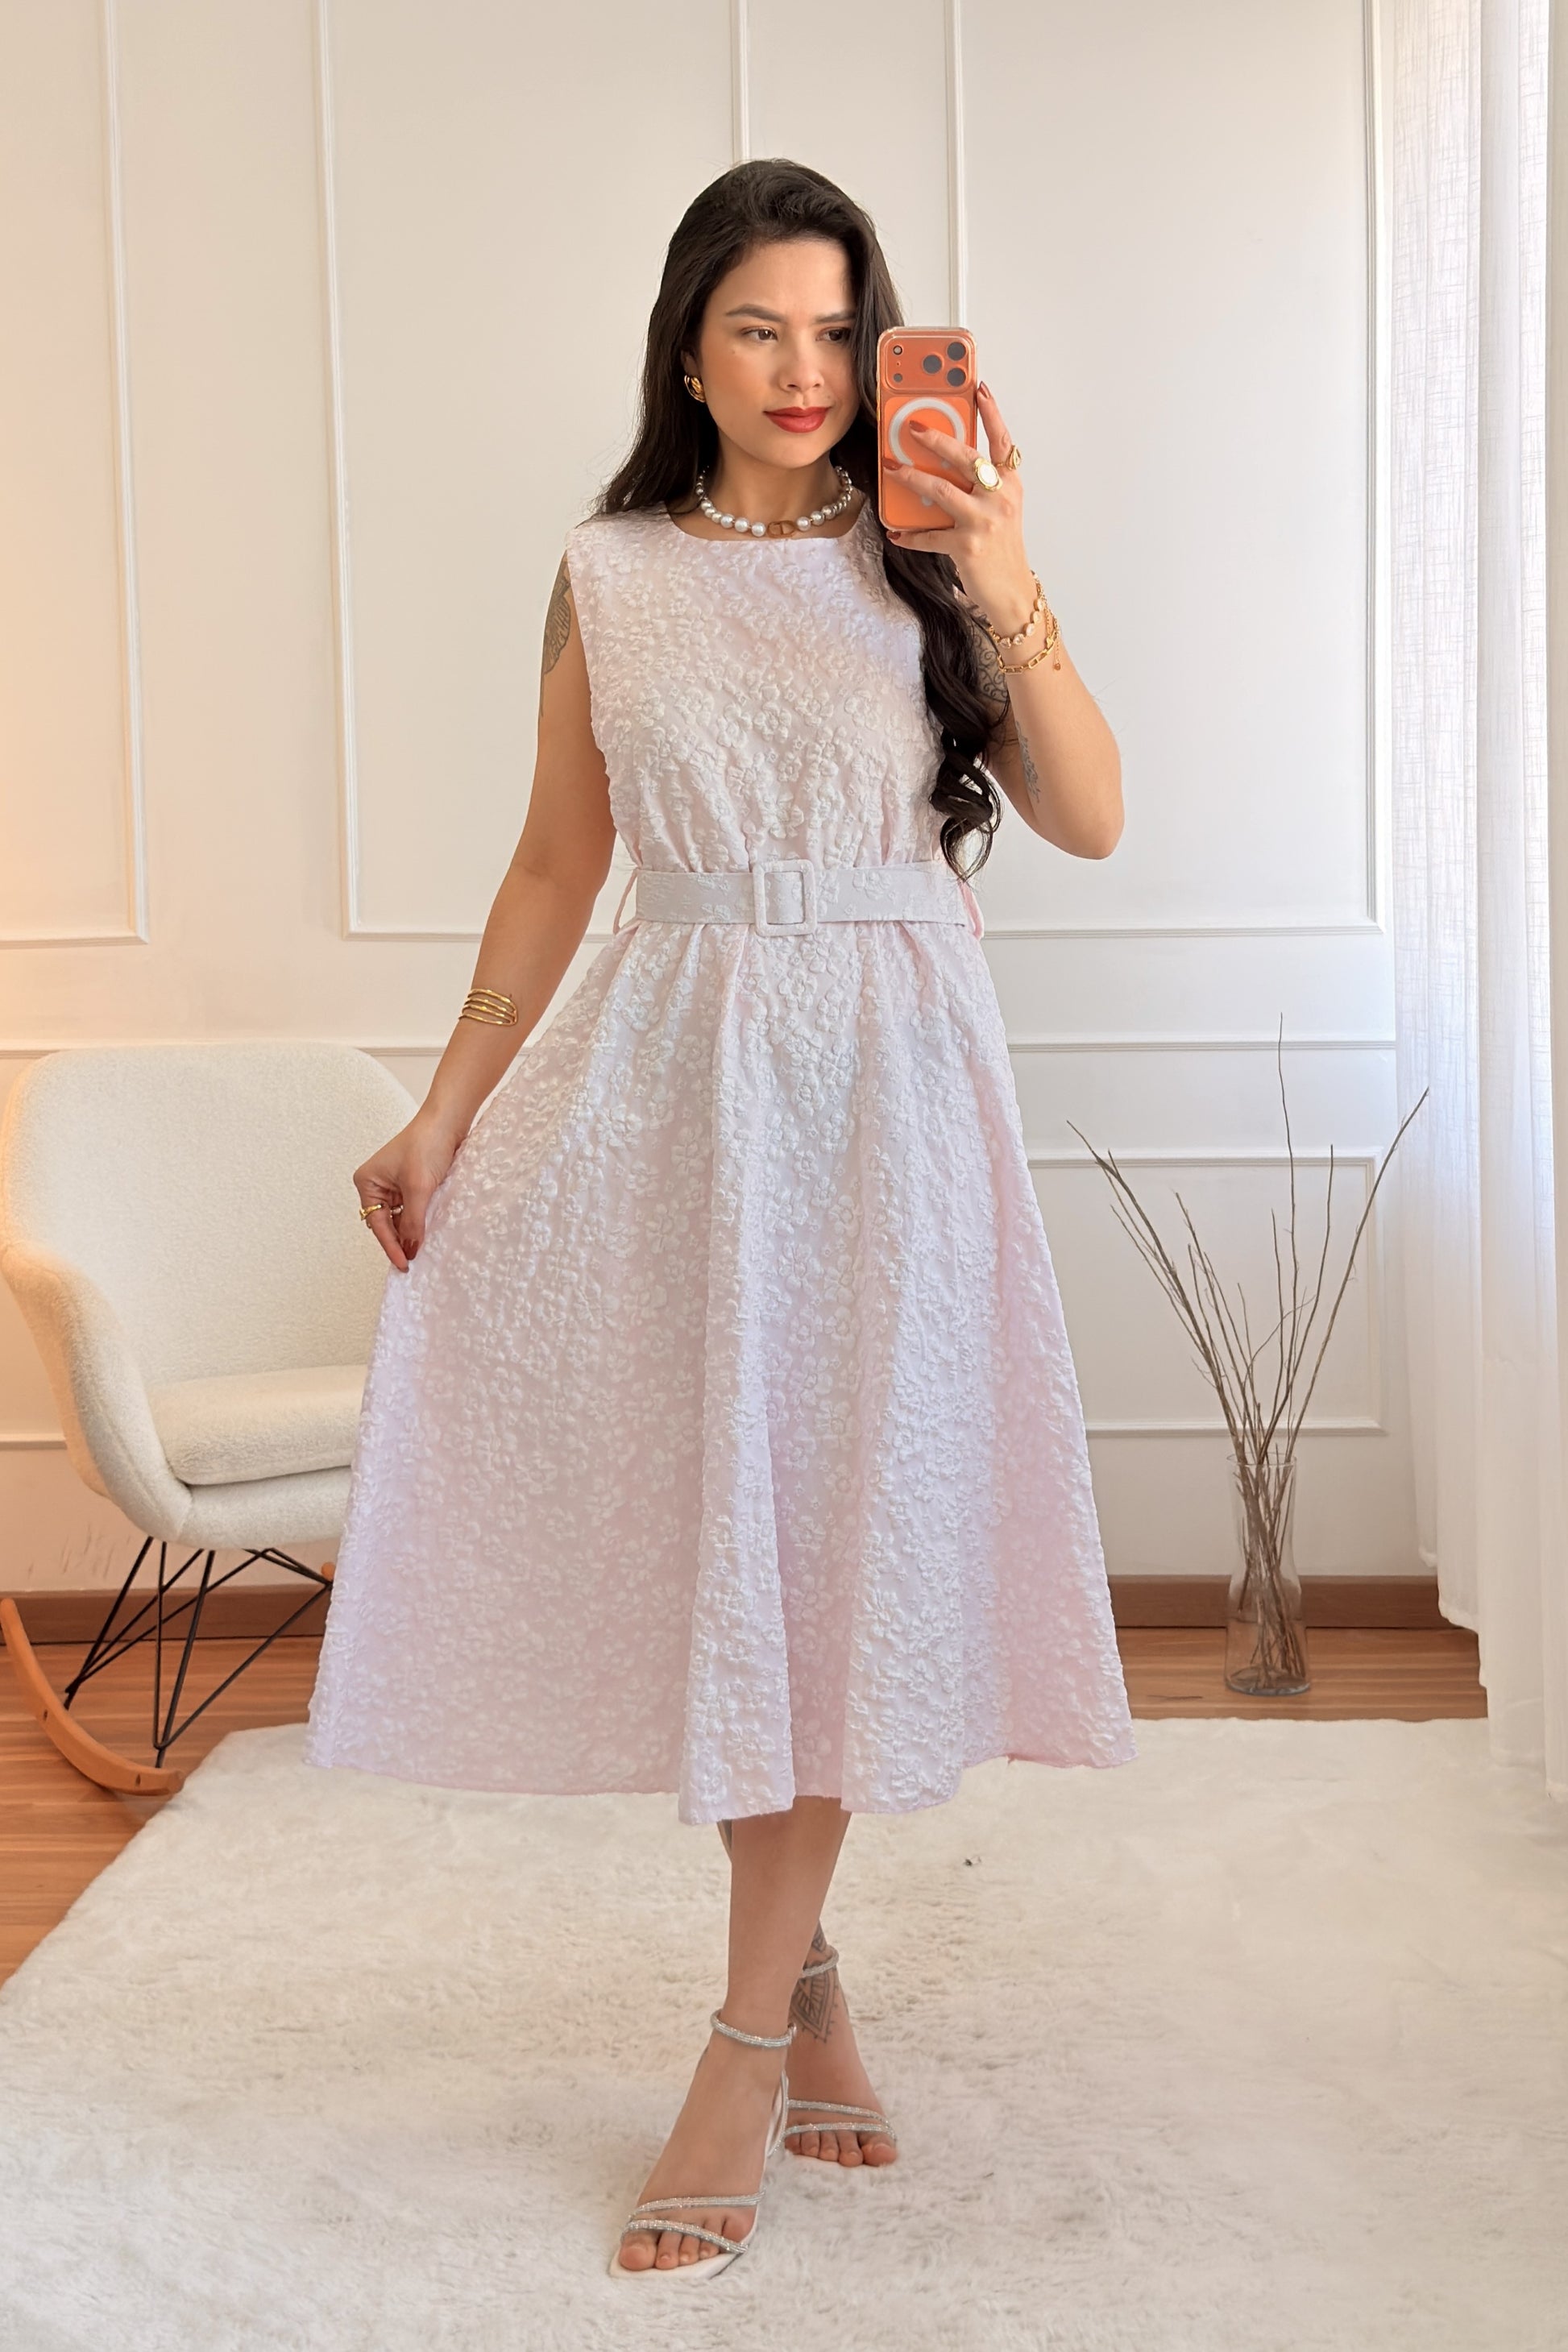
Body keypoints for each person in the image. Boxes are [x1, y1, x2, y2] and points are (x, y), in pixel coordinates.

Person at [301, 156, 1138, 2282]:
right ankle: (808, 1981)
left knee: (840, 1537)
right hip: (679, 1082)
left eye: (839, 330)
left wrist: (1000, 556)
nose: (803, 369)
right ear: (687, 348)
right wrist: (442, 1109)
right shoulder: (607, 570)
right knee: (743, 1540)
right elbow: (550, 864)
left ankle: (746, 2037)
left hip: (890, 1089)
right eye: (758, 327)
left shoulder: (927, 550)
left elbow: (1089, 814)